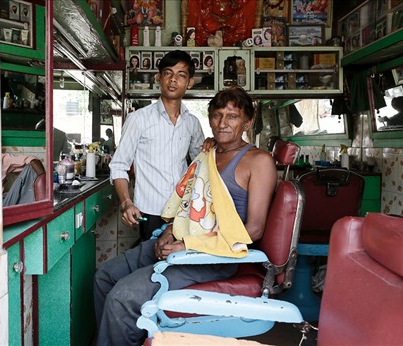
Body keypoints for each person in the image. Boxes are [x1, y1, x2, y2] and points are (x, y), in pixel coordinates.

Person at [94, 87, 277, 346]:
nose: (223, 123)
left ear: (247, 122)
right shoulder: (208, 155)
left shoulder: (258, 162)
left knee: (122, 297)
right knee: (105, 277)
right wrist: (169, 233)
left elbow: (253, 230)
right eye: (217, 115)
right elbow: (187, 206)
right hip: (180, 241)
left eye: (232, 117)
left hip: (212, 256)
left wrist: (187, 245)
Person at [109, 50, 206, 241]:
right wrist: (127, 203)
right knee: (152, 264)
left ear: (189, 83)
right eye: (168, 73)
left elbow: (201, 164)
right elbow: (119, 165)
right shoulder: (138, 119)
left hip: (183, 210)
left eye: (181, 75)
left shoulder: (192, 123)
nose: (173, 80)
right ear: (158, 78)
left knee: (179, 265)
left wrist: (211, 145)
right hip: (151, 210)